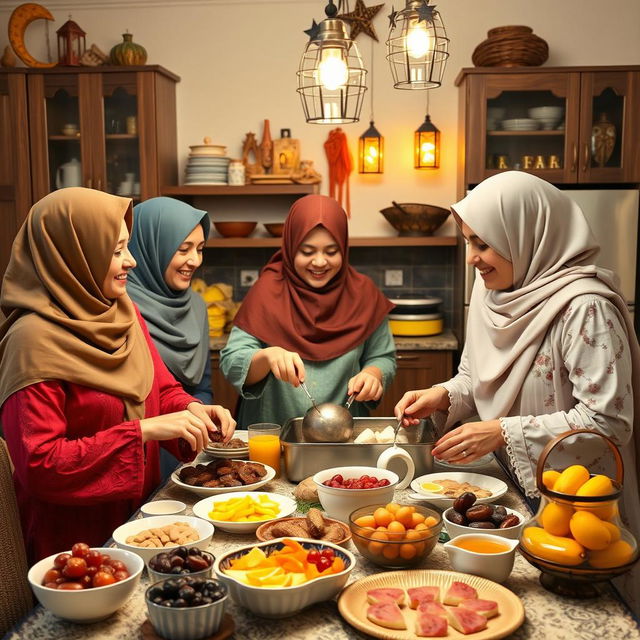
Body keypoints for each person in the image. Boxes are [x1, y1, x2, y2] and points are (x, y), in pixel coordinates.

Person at [394, 171, 640, 614]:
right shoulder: (492, 292)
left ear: (528, 235)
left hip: (579, 507)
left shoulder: (585, 308)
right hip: (511, 490)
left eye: (483, 244)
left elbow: (609, 422)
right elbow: (474, 375)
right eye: (469, 242)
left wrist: (502, 432)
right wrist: (444, 394)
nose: (472, 258)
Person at [0, 188, 236, 563]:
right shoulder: (30, 341)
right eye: (115, 251)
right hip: (73, 542)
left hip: (137, 520)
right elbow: (40, 465)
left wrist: (192, 409)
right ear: (73, 255)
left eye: (127, 248)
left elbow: (160, 388)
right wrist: (144, 431)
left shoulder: (122, 313)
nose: (131, 262)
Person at [220, 194, 396, 428]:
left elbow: (382, 356)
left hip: (346, 435)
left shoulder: (364, 293)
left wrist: (374, 374)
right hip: (273, 436)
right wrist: (267, 357)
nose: (320, 262)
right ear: (291, 247)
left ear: (344, 247)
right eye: (307, 251)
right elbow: (232, 362)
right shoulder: (266, 291)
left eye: (331, 252)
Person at [127, 197, 212, 404]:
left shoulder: (197, 306)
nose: (195, 261)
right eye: (183, 249)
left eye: (199, 249)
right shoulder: (120, 309)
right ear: (150, 247)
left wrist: (201, 414)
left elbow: (204, 388)